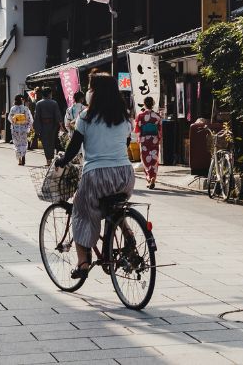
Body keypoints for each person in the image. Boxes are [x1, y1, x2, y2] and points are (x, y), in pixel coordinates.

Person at [54, 73, 135, 279]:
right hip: (125, 175)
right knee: (115, 207)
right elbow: (124, 143)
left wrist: (62, 161)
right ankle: (128, 234)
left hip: (97, 176)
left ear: (94, 93)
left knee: (81, 213)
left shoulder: (86, 117)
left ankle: (82, 263)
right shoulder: (124, 116)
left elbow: (73, 148)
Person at [134, 96, 162, 190]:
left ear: (144, 104)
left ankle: (149, 178)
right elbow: (160, 129)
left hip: (144, 139)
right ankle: (153, 176)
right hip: (154, 139)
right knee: (154, 159)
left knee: (146, 160)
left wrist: (139, 138)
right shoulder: (157, 116)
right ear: (153, 104)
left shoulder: (140, 116)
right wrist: (159, 138)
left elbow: (137, 128)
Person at [33, 87, 62, 166]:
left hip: (43, 126)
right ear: (49, 94)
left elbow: (37, 116)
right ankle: (50, 159)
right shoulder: (54, 103)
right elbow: (58, 115)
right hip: (53, 126)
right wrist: (61, 126)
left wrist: (36, 128)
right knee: (51, 142)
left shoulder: (39, 103)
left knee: (45, 143)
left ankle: (48, 160)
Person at [8, 96, 33, 166]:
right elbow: (29, 118)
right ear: (22, 100)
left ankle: (19, 159)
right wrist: (30, 126)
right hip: (23, 129)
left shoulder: (13, 108)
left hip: (15, 129)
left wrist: (14, 122)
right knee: (24, 143)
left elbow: (9, 118)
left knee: (17, 144)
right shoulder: (25, 108)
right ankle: (23, 156)